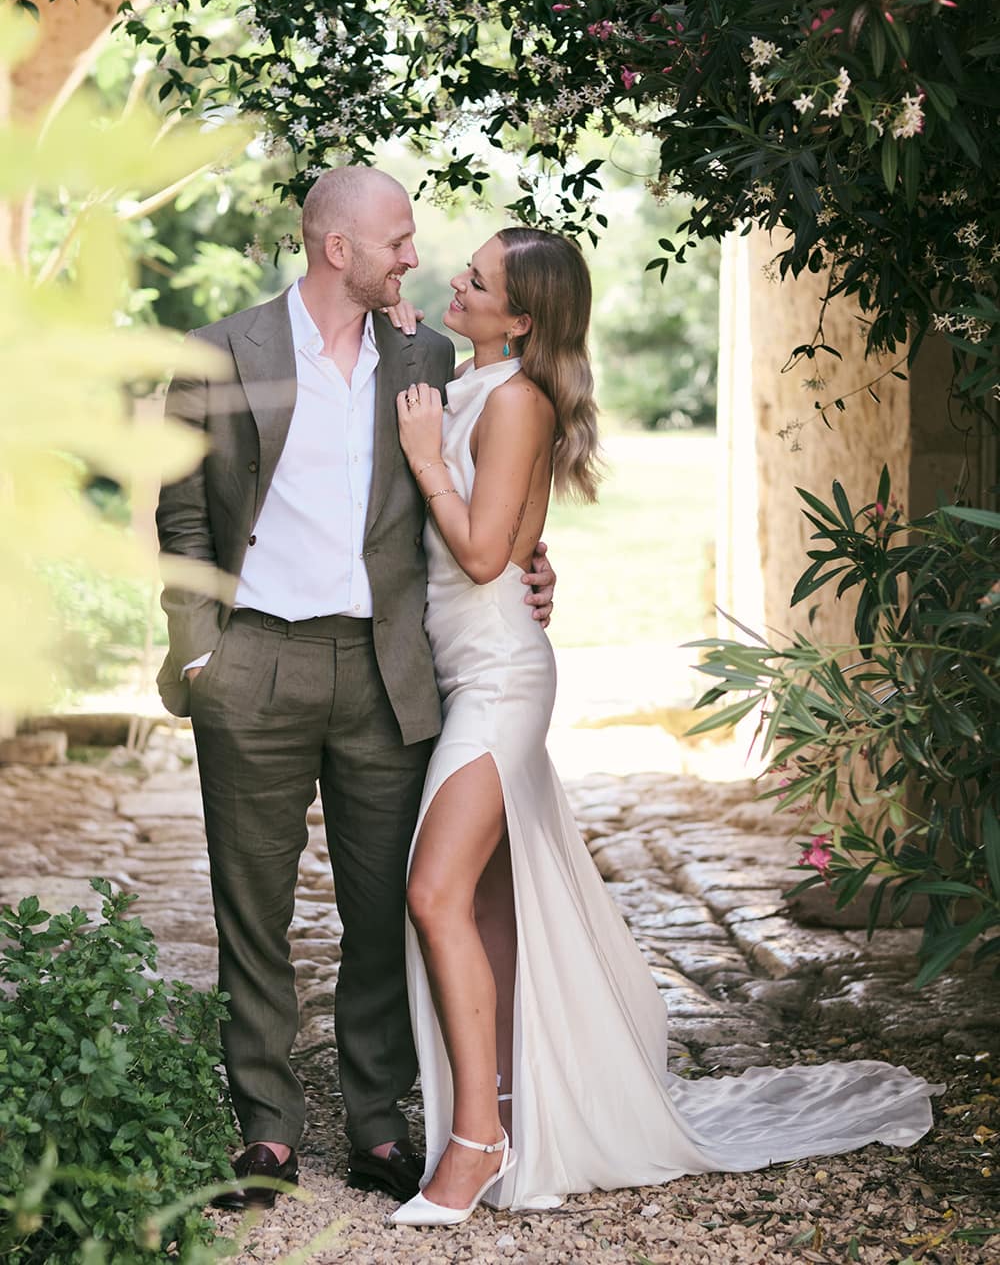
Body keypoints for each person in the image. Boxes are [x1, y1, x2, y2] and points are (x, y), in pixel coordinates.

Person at [386, 226, 940, 1227]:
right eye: (465, 268)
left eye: (478, 278)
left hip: (499, 682)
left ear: (521, 318)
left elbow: (480, 555)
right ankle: (509, 1103)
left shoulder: (515, 400)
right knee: (490, 909)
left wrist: (427, 462)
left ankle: (475, 1144)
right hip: (464, 668)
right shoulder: (468, 384)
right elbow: (517, 538)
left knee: (433, 893)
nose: (455, 280)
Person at [154, 167, 555, 1211]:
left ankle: (378, 1120)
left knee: (384, 907)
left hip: (388, 669)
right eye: (398, 241)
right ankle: (268, 1127)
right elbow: (184, 514)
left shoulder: (426, 357)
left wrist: (531, 561)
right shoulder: (217, 353)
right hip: (253, 662)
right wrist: (201, 656)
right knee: (253, 909)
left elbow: (489, 483)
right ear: (339, 249)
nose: (415, 257)